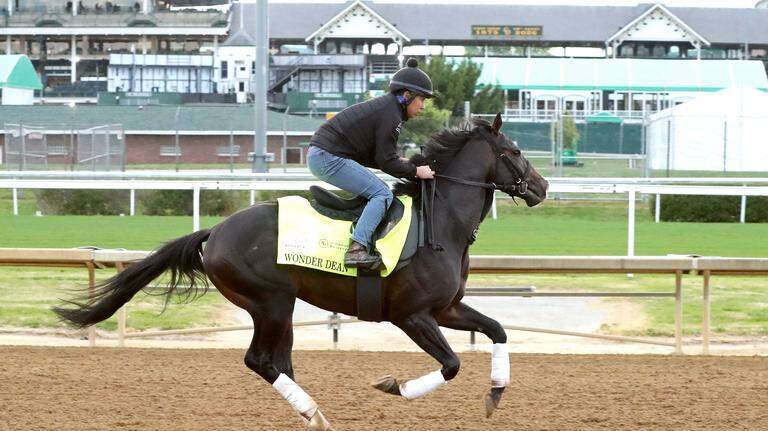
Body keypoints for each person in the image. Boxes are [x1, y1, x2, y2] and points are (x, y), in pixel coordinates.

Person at [307, 58, 436, 270]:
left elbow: (382, 157)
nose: (423, 106)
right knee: (382, 194)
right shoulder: (391, 116)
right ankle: (357, 249)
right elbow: (386, 162)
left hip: (325, 153)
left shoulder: (388, 110)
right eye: (421, 99)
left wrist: (406, 164)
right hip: (327, 156)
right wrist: (416, 171)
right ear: (406, 95)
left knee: (378, 191)